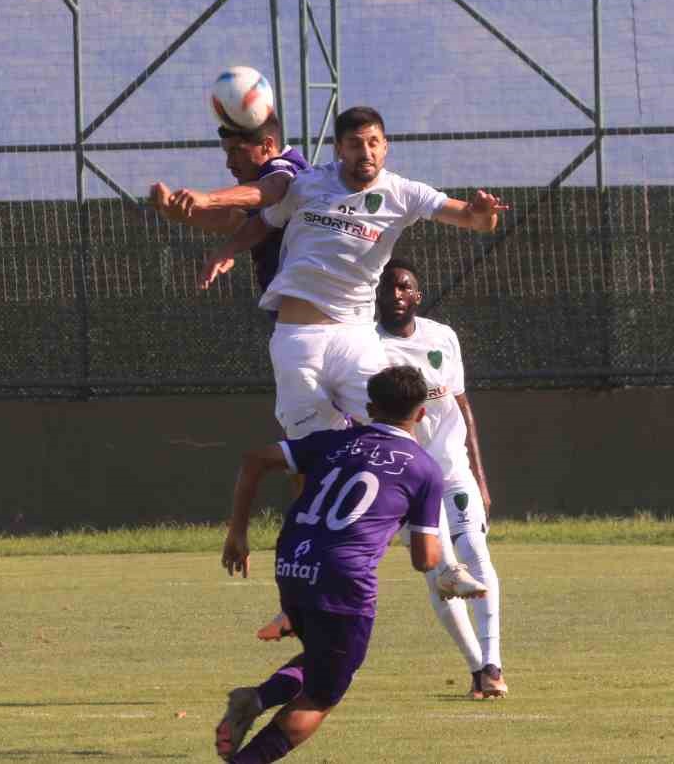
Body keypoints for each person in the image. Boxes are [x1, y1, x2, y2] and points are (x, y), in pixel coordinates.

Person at [156, 106, 506, 635]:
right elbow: (261, 220)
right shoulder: (307, 184)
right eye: (353, 144)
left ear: (385, 147)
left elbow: (474, 220)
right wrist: (225, 251)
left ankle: (441, 562)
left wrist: (484, 212)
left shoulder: (404, 193)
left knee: (404, 436)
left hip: (353, 339)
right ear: (337, 149)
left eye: (373, 143)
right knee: (312, 477)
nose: (364, 153)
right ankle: (294, 603)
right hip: (296, 345)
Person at [215, 365, 446, 763]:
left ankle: (256, 699)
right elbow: (425, 560)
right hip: (344, 578)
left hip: (292, 564)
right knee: (321, 696)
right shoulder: (424, 467)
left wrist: (238, 532)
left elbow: (255, 459)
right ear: (421, 414)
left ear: (369, 407)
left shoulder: (332, 441)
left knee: (323, 656)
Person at [377, 258, 507, 699]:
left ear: (417, 295)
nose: (395, 294)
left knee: (475, 553)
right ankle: (476, 670)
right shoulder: (365, 346)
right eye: (386, 287)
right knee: (437, 573)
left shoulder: (442, 337)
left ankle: (494, 662)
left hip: (453, 472)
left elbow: (462, 407)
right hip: (407, 481)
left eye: (404, 287)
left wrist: (480, 476)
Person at [148, 115, 309, 301]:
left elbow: (274, 188)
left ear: (267, 145)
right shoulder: (263, 180)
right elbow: (231, 218)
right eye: (227, 153)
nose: (229, 163)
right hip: (296, 308)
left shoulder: (283, 167)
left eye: (236, 151)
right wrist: (179, 212)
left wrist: (208, 199)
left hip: (314, 311)